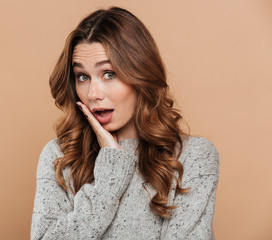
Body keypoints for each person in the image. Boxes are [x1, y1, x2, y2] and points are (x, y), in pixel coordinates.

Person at [30, 6, 220, 240]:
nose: (93, 93)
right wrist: (110, 174)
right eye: (82, 76)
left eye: (109, 74)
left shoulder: (192, 157)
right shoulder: (60, 157)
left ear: (140, 73)